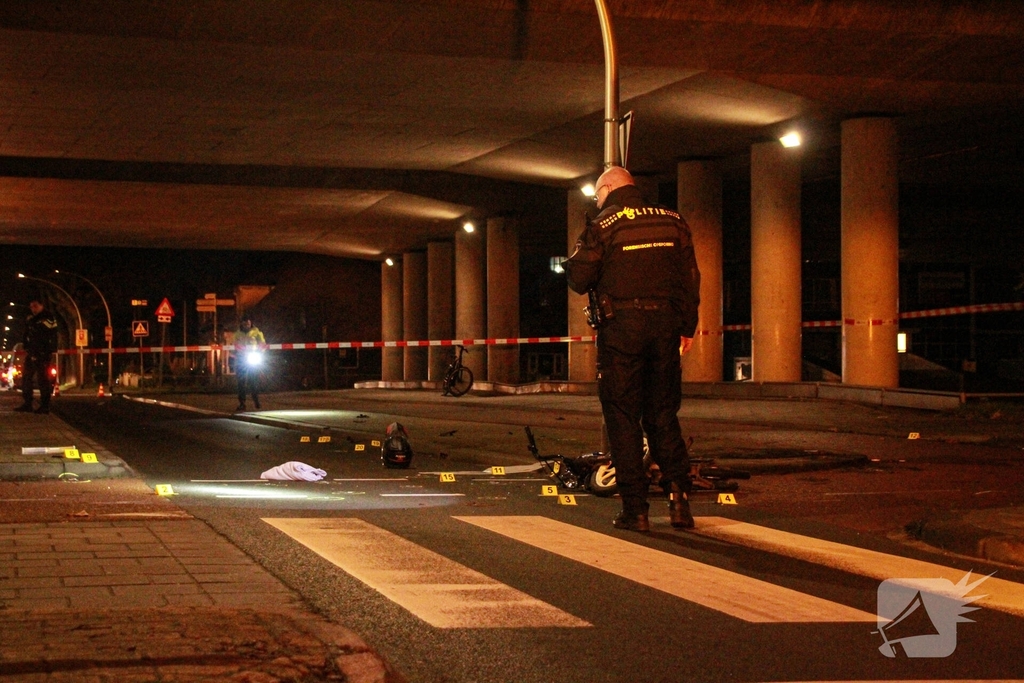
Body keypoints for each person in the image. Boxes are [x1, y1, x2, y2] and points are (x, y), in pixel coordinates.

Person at [564, 166, 701, 532]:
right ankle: (678, 501)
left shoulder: (604, 224)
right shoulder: (673, 220)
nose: (597, 200)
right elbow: (690, 278)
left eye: (597, 195)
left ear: (608, 188)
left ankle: (635, 509)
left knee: (622, 415)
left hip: (622, 329)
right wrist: (687, 327)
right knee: (663, 414)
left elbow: (579, 279)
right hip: (666, 328)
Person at [15, 300, 59, 414]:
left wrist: (46, 351)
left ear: (41, 305)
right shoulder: (31, 319)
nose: (33, 309)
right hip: (32, 352)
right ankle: (27, 403)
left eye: (35, 306)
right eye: (31, 306)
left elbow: (44, 332)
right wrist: (26, 345)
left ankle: (45, 406)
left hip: (43, 353)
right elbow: (28, 333)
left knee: (42, 379)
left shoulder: (47, 317)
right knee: (26, 378)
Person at [235, 315, 266, 411]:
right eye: (244, 324)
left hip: (253, 357)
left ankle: (256, 400)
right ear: (241, 324)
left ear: (251, 323)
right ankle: (242, 403)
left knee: (254, 381)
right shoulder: (237, 334)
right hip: (241, 359)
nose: (246, 326)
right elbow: (235, 345)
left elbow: (262, 344)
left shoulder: (257, 332)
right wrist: (237, 354)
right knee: (241, 382)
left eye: (248, 323)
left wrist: (260, 352)